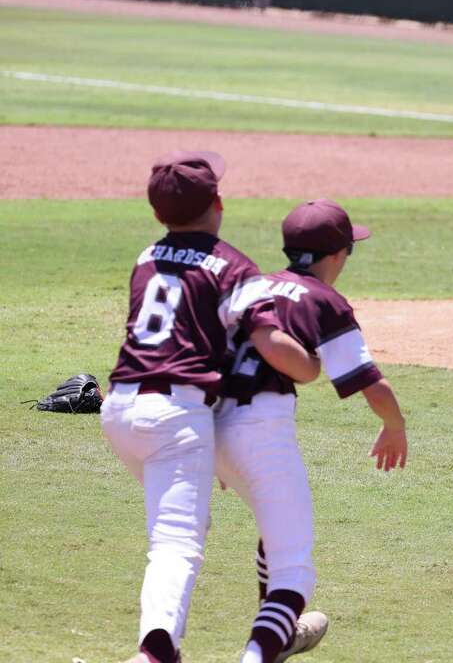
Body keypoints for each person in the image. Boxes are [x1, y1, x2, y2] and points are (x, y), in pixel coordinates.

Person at [104, 151, 319, 663]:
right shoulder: (231, 265)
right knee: (176, 543)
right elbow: (270, 343)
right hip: (176, 416)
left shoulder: (146, 256)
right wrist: (310, 367)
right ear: (218, 204)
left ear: (158, 214)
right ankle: (155, 653)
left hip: (119, 410)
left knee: (178, 528)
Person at [218, 198, 408, 663]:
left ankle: (279, 635)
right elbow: (371, 383)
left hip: (209, 423)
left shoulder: (251, 285)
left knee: (274, 530)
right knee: (294, 566)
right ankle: (263, 650)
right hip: (261, 430)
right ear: (338, 255)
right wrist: (394, 426)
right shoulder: (326, 301)